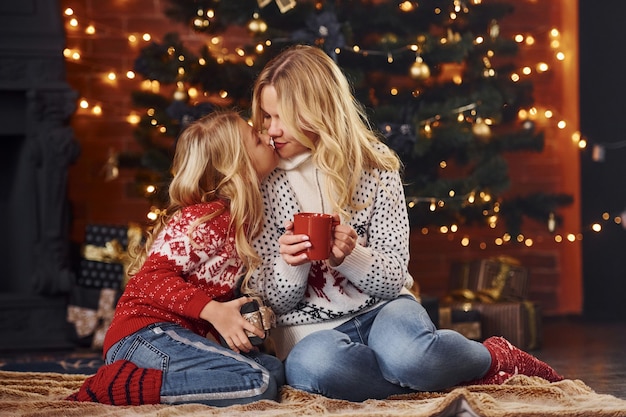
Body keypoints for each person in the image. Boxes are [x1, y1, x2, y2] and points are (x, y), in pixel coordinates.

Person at [248, 44, 563, 402]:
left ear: (317, 110)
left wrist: (350, 256)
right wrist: (291, 265)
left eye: (280, 117)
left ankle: (494, 358)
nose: (271, 130)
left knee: (410, 357)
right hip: (310, 333)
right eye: (266, 117)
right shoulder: (261, 183)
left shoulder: (376, 169)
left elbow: (393, 278)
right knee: (316, 369)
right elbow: (273, 301)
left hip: (386, 309)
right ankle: (431, 384)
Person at [66, 110, 284, 406]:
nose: (268, 135)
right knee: (258, 383)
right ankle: (116, 387)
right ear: (239, 167)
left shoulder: (241, 221)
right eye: (257, 139)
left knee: (271, 369)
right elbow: (150, 279)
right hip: (144, 335)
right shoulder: (205, 219)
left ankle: (151, 383)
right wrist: (213, 312)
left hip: (172, 338)